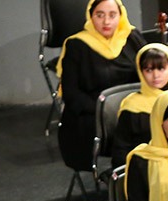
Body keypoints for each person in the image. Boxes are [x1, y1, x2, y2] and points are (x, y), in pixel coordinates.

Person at [56, 0, 145, 173]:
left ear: (121, 15)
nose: (106, 22)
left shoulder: (132, 37)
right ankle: (125, 178)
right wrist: (105, 112)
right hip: (93, 116)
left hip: (130, 112)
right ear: (90, 16)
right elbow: (71, 94)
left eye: (112, 15)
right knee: (131, 131)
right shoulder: (76, 45)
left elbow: (149, 72)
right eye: (100, 15)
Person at [111, 43, 168, 164]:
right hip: (145, 165)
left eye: (161, 68)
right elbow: (121, 149)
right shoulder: (132, 106)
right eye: (148, 70)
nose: (156, 76)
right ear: (141, 72)